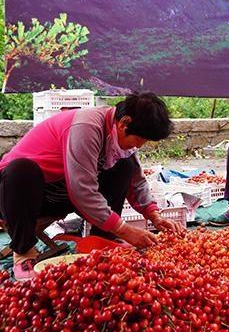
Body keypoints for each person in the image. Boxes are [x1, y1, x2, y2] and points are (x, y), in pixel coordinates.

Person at [0, 92, 186, 280]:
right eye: (139, 140)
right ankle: (24, 252)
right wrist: (124, 229)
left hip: (63, 192)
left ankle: (103, 239)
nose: (139, 145)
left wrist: (154, 215)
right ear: (124, 123)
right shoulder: (87, 127)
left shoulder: (118, 135)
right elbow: (82, 191)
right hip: (21, 198)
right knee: (20, 169)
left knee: (125, 165)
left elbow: (136, 180)